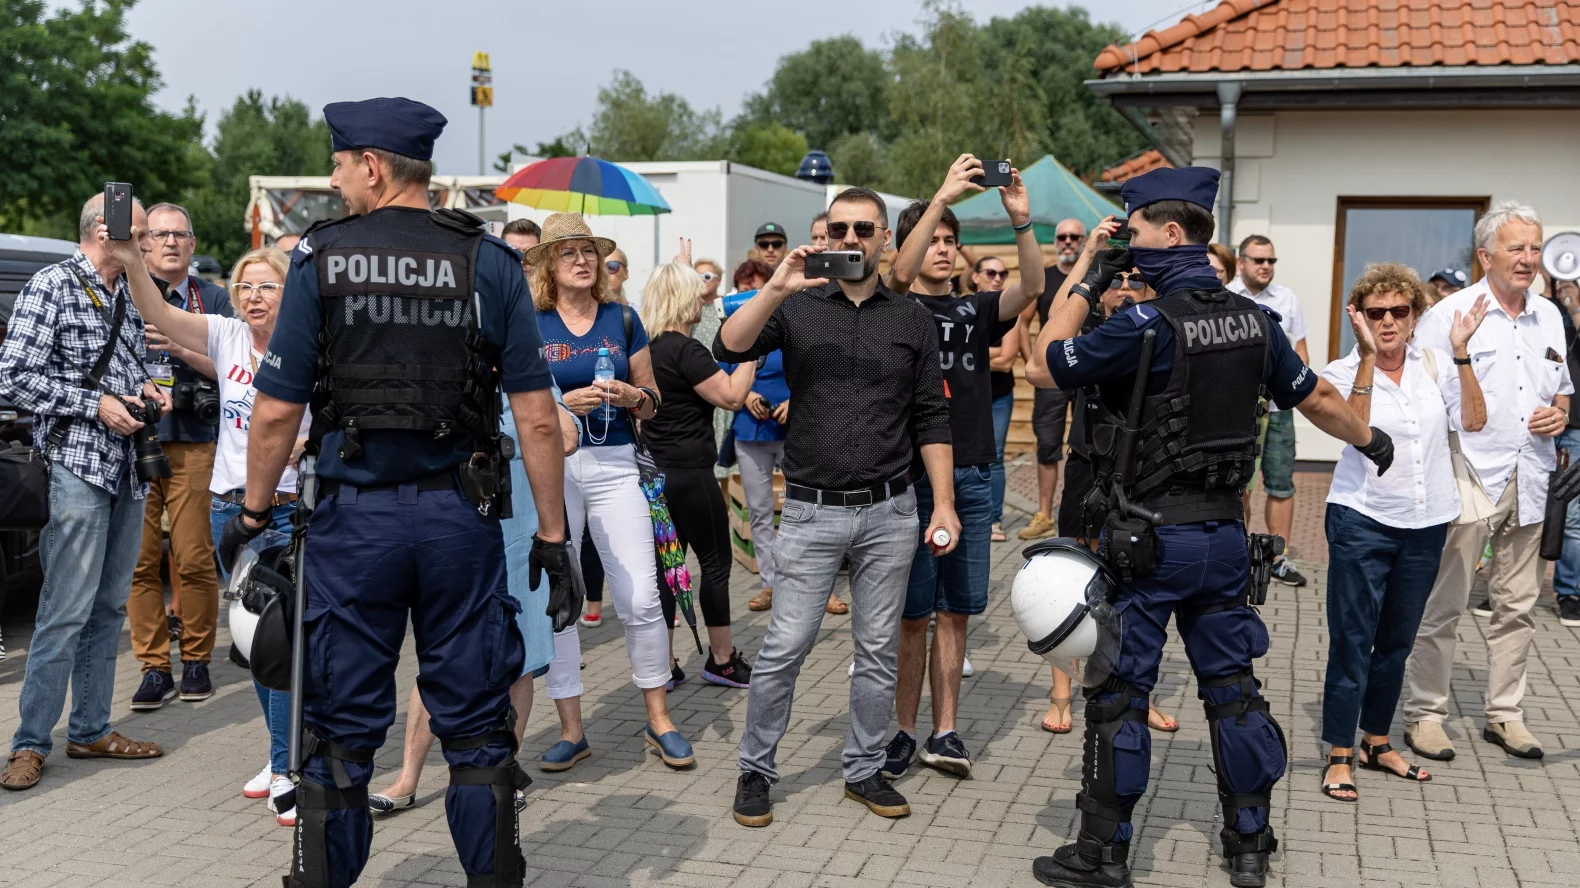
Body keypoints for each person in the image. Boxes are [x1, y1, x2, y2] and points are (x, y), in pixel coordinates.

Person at [216, 97, 576, 888]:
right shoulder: (487, 261)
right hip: (460, 522)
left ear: (372, 166)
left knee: (340, 728)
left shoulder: (319, 258)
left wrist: (250, 514)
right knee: (478, 726)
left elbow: (276, 410)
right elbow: (537, 420)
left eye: (341, 168)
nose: (338, 183)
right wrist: (553, 536)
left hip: (355, 529)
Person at [1025, 167, 1391, 888]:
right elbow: (1314, 395)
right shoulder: (1258, 323)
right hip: (1225, 542)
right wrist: (1370, 440)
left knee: (1120, 694)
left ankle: (1104, 856)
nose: (1127, 245)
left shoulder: (1142, 324)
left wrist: (1088, 276)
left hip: (1148, 547)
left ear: (1169, 234)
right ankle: (1249, 849)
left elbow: (1044, 365)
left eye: (1132, 233)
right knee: (1233, 692)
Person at [718, 186, 957, 828]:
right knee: (785, 645)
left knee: (877, 647)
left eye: (865, 229)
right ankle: (756, 769)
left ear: (884, 239)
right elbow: (730, 345)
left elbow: (932, 416)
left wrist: (946, 505)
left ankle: (863, 768)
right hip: (812, 510)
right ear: (825, 237)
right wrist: (776, 283)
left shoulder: (909, 318)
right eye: (841, 229)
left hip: (891, 509)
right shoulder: (796, 306)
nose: (852, 240)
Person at [119, 244, 307, 824]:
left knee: (283, 641)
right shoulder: (225, 335)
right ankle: (282, 757)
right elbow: (159, 311)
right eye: (246, 286)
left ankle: (289, 767)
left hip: (289, 510)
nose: (253, 296)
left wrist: (300, 444)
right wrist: (130, 259)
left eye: (267, 287)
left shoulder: (308, 344)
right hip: (230, 511)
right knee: (254, 644)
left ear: (289, 293)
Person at [880, 155, 1043, 779]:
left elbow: (1029, 289)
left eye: (952, 240)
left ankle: (945, 731)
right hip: (909, 480)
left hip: (973, 475)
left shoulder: (975, 312)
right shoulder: (894, 310)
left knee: (956, 612)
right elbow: (895, 276)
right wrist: (942, 194)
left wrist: (1021, 223)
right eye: (935, 240)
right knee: (910, 615)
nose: (944, 250)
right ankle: (901, 730)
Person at [0, 193, 169, 792]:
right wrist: (93, 404)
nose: (150, 246)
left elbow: (132, 364)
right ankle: (28, 744)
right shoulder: (52, 284)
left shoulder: (127, 290)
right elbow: (13, 373)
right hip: (77, 465)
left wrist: (149, 389)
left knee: (106, 608)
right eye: (143, 235)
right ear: (107, 230)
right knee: (64, 612)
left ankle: (92, 729)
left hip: (127, 469)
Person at [1404, 202, 1568, 763]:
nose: (1527, 259)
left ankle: (1505, 714)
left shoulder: (1548, 314)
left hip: (1532, 473)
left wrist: (1561, 412)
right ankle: (1425, 714)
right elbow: (1422, 402)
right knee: (1444, 603)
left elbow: (1560, 385)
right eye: (1516, 248)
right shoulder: (1448, 315)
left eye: (1533, 247)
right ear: (1485, 256)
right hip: (1468, 475)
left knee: (1518, 604)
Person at [529, 213, 694, 772]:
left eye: (589, 251)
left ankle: (659, 718)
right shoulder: (532, 324)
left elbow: (654, 401)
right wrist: (559, 406)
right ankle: (572, 730)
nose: (582, 260)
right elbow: (519, 405)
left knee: (642, 597)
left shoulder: (623, 319)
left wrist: (631, 396)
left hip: (618, 464)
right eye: (569, 252)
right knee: (562, 602)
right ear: (550, 264)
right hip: (552, 469)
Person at [1317, 264, 1488, 802]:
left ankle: (1377, 741)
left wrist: (1461, 353)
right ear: (1359, 318)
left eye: (1399, 311)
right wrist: (1368, 356)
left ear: (1415, 316)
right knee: (1352, 642)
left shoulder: (1435, 367)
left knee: (1396, 643)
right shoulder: (1342, 371)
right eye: (1376, 313)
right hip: (1362, 519)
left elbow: (1476, 421)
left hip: (1426, 521)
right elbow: (1356, 428)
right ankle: (1340, 753)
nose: (1388, 321)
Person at [369, 387, 583, 815]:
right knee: (440, 652)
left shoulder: (523, 366)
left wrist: (511, 428)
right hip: (452, 534)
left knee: (518, 657)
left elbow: (566, 438)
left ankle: (503, 770)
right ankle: (408, 777)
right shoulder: (441, 365)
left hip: (521, 533)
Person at [126, 201, 235, 709]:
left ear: (193, 244)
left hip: (196, 439)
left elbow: (241, 373)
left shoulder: (214, 298)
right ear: (143, 243)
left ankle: (196, 660)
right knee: (139, 561)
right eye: (160, 234)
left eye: (180, 235)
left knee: (192, 558)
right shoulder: (123, 292)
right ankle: (152, 667)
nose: (170, 242)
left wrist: (180, 346)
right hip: (132, 440)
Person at [640, 261, 758, 686]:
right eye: (697, 291)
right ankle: (722, 659)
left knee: (668, 569)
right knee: (715, 564)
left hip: (656, 474)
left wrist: (681, 261)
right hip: (691, 474)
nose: (704, 299)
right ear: (681, 297)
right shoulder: (687, 350)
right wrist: (751, 352)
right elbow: (731, 397)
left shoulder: (646, 348)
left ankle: (663, 664)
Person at [1229, 234, 1311, 587]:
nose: (1266, 266)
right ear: (1240, 262)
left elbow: (1302, 353)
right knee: (1238, 485)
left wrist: (1292, 394)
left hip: (1277, 410)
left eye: (1271, 261)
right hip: (1236, 411)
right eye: (1258, 260)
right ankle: (1237, 557)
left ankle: (1278, 559)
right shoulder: (1227, 296)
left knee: (1281, 484)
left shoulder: (1287, 299)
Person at [1018, 217, 1086, 540]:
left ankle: (1087, 510)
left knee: (1091, 443)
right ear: (1056, 242)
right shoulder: (1044, 279)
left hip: (1089, 373)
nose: (1069, 242)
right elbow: (1023, 321)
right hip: (1054, 377)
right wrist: (1032, 359)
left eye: (1075, 236)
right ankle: (1045, 514)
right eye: (1063, 237)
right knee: (1047, 444)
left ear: (1085, 240)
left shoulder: (1096, 275)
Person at [1545, 274, 1580, 627]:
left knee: (1569, 517)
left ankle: (1568, 593)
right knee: (1523, 510)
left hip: (1575, 432)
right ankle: (1504, 590)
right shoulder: (1547, 315)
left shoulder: (1573, 315)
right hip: (1540, 427)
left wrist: (1576, 310)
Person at [976, 256, 1017, 543]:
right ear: (975, 276)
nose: (998, 277)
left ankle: (994, 520)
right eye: (991, 272)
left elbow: (1006, 360)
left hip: (999, 394)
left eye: (1003, 273)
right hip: (970, 394)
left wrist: (968, 353)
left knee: (996, 457)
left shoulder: (1008, 309)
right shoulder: (963, 307)